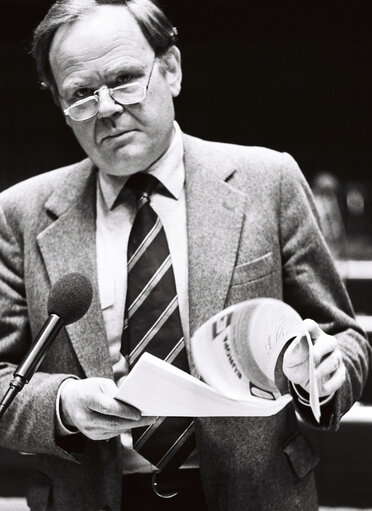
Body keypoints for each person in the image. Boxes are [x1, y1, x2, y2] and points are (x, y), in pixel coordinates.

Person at [0, 1, 369, 510]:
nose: (106, 107)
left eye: (126, 78)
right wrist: (64, 405)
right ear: (60, 105)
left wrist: (327, 372)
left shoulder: (270, 181)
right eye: (82, 94)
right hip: (94, 495)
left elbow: (344, 336)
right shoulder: (19, 213)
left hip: (257, 495)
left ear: (171, 69)